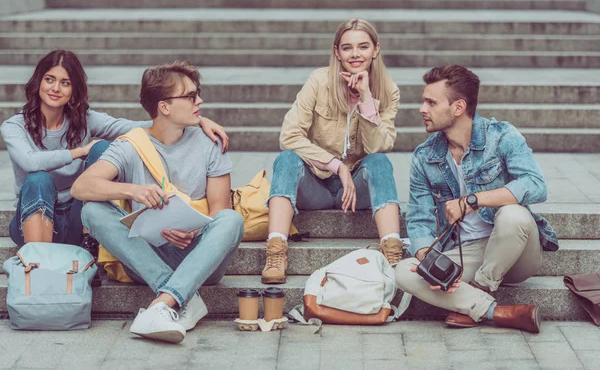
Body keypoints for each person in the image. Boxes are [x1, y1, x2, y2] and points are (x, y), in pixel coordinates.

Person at [71, 61, 244, 344]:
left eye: (196, 93)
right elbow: (81, 186)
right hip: (146, 256)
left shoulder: (210, 142)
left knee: (232, 220)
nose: (199, 101)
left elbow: (220, 211)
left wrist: (195, 232)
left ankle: (161, 303)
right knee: (92, 210)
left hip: (200, 255)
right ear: (164, 107)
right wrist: (134, 191)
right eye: (190, 96)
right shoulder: (130, 145)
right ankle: (178, 299)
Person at [0, 50, 229, 248]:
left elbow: (139, 127)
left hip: (76, 216)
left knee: (101, 149)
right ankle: (38, 260)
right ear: (38, 81)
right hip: (34, 217)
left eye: (65, 82)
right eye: (49, 79)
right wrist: (79, 152)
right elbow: (30, 162)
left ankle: (90, 242)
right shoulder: (14, 126)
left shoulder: (84, 119)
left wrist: (197, 120)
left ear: (74, 89)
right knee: (38, 179)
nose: (56, 88)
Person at [394, 64, 559, 333]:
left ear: (458, 107)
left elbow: (536, 185)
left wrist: (473, 200)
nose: (422, 109)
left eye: (431, 102)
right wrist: (427, 260)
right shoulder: (425, 157)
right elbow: (418, 219)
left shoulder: (502, 136)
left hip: (516, 250)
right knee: (404, 271)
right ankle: (497, 312)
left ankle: (480, 290)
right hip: (466, 253)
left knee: (513, 214)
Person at [262, 18, 403, 285]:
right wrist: (336, 165)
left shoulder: (388, 91)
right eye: (347, 48)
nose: (355, 54)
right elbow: (289, 136)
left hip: (356, 191)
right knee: (287, 159)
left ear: (376, 49)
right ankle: (276, 251)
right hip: (315, 184)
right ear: (337, 51)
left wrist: (365, 97)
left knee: (380, 162)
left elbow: (378, 146)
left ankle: (393, 253)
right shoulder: (319, 81)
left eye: (363, 46)